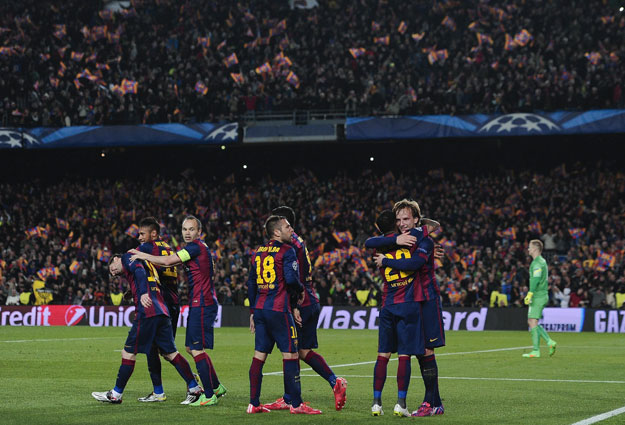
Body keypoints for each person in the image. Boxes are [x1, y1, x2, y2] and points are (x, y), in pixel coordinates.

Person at [130, 215, 226, 407]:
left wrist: (142, 255)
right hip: (197, 302)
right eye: (184, 229)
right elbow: (170, 263)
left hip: (203, 302)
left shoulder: (195, 247)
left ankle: (208, 395)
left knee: (196, 348)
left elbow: (167, 261)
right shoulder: (197, 249)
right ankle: (216, 386)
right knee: (191, 348)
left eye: (191, 229)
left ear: (199, 232)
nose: (187, 233)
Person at [261, 206, 347, 411]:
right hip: (309, 298)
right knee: (301, 351)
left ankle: (297, 396)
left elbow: (293, 279)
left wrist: (294, 306)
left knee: (292, 351)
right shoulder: (297, 241)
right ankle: (292, 394)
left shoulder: (290, 245)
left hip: (301, 301)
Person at [366, 200, 445, 417]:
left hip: (427, 299)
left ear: (416, 220)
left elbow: (414, 264)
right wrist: (396, 239)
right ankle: (435, 402)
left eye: (407, 219)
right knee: (419, 352)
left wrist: (386, 261)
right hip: (413, 301)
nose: (402, 224)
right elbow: (369, 241)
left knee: (426, 351)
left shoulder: (425, 241)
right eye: (399, 220)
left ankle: (431, 403)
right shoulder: (403, 240)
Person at [91, 253, 201, 404]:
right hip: (162, 311)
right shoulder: (145, 263)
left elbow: (139, 272)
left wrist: (142, 293)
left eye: (112, 268)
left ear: (116, 259)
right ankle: (194, 388)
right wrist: (135, 291)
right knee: (170, 353)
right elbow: (146, 277)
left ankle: (115, 394)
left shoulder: (127, 257)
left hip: (147, 312)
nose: (113, 273)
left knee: (128, 352)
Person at [246, 215, 322, 415]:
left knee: (259, 356)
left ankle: (253, 403)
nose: (291, 230)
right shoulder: (287, 251)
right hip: (279, 309)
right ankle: (296, 405)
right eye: (288, 227)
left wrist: (253, 311)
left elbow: (251, 284)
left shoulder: (257, 252)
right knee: (291, 355)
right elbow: (291, 278)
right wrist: (300, 290)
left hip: (261, 309)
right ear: (277, 232)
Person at [134, 217, 183, 403]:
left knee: (160, 349)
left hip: (161, 304)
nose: (139, 237)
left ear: (153, 234)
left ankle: (189, 384)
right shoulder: (168, 248)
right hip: (173, 303)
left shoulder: (148, 247)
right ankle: (188, 382)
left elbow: (130, 256)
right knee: (161, 349)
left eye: (142, 233)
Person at [523, 240, 557, 358]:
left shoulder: (537, 263)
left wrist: (530, 293)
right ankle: (549, 342)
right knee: (533, 322)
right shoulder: (541, 261)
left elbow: (536, 279)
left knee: (532, 321)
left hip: (538, 295)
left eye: (530, 247)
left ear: (536, 249)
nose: (528, 249)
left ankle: (536, 350)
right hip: (541, 295)